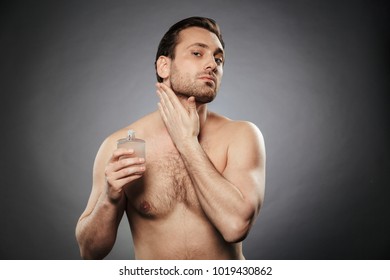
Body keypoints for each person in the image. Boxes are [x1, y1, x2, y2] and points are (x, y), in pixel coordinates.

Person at [75, 16, 266, 260]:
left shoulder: (241, 136)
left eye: (218, 59)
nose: (212, 64)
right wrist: (109, 199)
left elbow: (235, 227)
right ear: (163, 66)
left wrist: (187, 142)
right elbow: (89, 252)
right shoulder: (119, 145)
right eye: (198, 53)